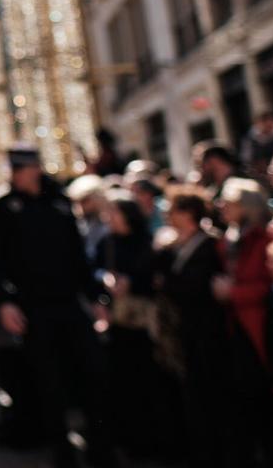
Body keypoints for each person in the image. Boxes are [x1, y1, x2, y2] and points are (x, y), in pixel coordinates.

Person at [0, 145, 113, 467]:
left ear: (35, 168)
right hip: (33, 309)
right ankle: (62, 454)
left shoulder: (59, 199)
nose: (17, 176)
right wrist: (4, 302)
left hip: (70, 303)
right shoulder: (1, 207)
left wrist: (97, 297)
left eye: (22, 169)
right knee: (49, 383)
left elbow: (78, 254)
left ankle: (101, 451)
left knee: (93, 375)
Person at [154, 187, 232, 468]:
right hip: (182, 332)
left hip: (206, 332)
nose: (167, 215)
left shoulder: (208, 245)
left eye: (173, 209)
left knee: (209, 393)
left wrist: (170, 284)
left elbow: (194, 287)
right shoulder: (172, 246)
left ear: (188, 213)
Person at [212, 178, 273, 465]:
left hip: (262, 328)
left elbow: (268, 286)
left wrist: (233, 293)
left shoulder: (265, 239)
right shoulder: (229, 239)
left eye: (229, 201)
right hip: (236, 327)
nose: (221, 206)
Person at [93, 196, 157, 458]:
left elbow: (151, 276)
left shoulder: (145, 241)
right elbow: (93, 269)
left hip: (142, 324)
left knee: (146, 382)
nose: (110, 219)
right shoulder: (106, 243)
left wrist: (131, 282)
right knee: (120, 382)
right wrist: (105, 280)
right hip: (116, 322)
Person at [239, 111, 273, 187]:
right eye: (266, 123)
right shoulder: (249, 140)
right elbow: (246, 160)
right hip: (258, 177)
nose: (269, 126)